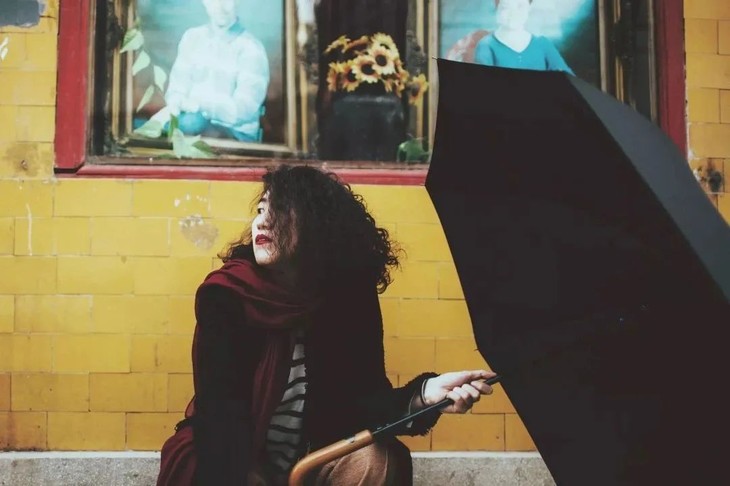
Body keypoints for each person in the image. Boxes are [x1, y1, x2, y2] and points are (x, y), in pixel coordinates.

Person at [156, 164, 497, 486]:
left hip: (313, 459)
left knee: (377, 461)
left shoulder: (347, 296)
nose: (262, 222)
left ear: (316, 223)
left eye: (279, 210)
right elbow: (219, 414)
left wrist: (426, 395)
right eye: (260, 210)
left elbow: (365, 404)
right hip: (235, 457)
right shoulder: (228, 295)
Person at [146, 0, 270, 142]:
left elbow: (243, 110)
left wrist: (199, 105)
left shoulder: (251, 48)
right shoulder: (192, 37)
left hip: (236, 134)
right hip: (190, 123)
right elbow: (176, 89)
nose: (221, 6)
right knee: (145, 129)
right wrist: (174, 106)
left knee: (191, 123)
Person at [474, 0, 574, 75]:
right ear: (497, 8)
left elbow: (567, 77)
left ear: (528, 8)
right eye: (506, 7)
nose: (513, 13)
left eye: (520, 6)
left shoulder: (542, 43)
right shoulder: (487, 45)